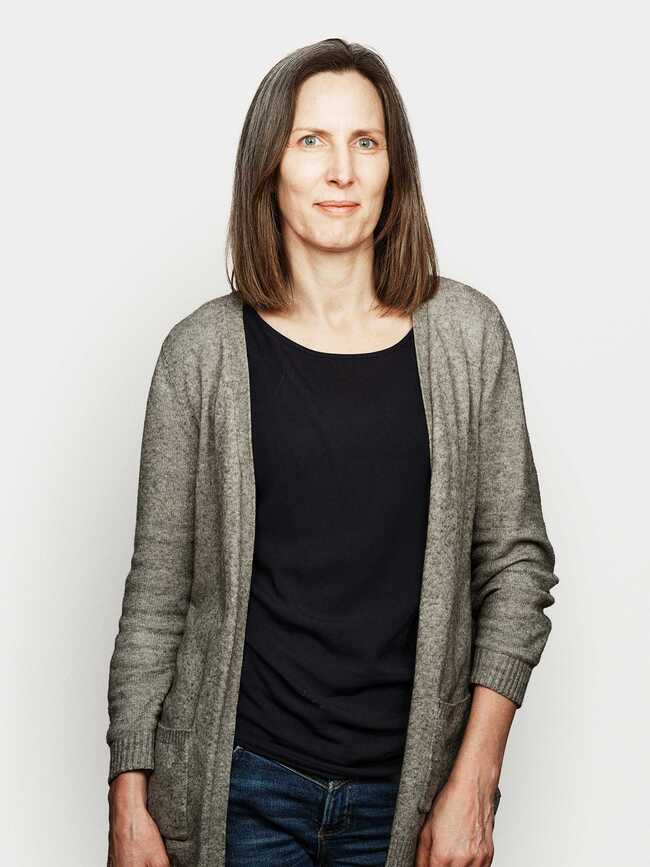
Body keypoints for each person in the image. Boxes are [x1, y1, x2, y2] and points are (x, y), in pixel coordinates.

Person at [106, 38, 559, 867]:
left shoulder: (468, 337)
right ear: (270, 167)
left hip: (408, 793)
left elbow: (516, 569)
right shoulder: (199, 356)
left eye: (366, 141)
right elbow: (158, 591)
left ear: (394, 169)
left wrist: (475, 778)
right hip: (241, 787)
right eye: (311, 140)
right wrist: (128, 796)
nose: (340, 171)